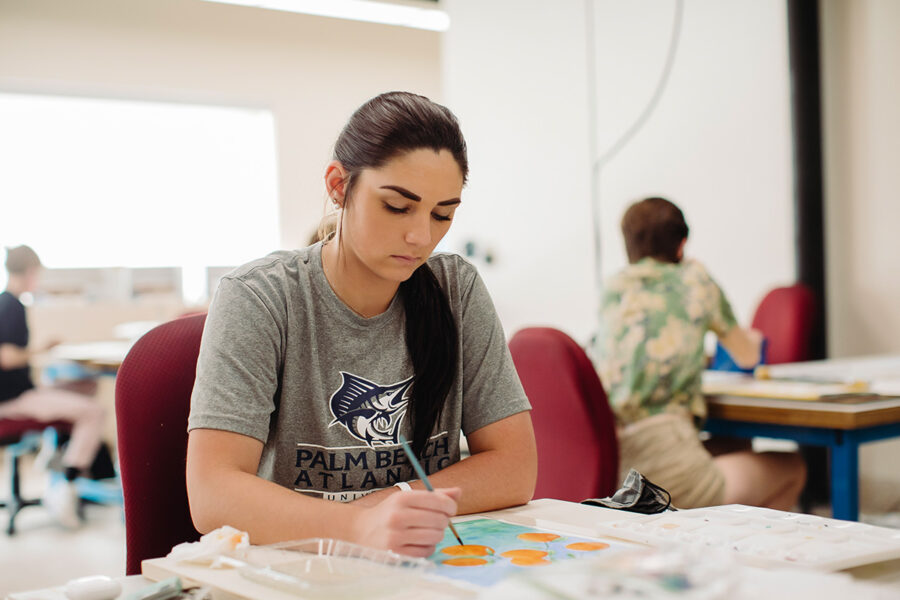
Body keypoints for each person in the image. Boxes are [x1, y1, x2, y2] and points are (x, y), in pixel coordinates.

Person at [186, 91, 537, 557]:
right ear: (338, 185)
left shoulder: (456, 290)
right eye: (396, 206)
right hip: (303, 570)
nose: (421, 236)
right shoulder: (261, 297)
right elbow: (212, 493)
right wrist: (358, 526)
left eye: (442, 214)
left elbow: (515, 467)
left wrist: (394, 504)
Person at [590, 197, 806, 510]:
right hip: (667, 469)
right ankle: (756, 556)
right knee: (791, 468)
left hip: (614, 466)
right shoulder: (696, 282)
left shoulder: (613, 287)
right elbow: (747, 356)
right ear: (682, 245)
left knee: (734, 445)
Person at [0, 245, 107, 528]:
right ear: (32, 272)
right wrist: (41, 349)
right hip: (14, 399)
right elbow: (7, 357)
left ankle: (54, 454)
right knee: (93, 412)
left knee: (85, 386)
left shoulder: (4, 302)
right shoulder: (11, 305)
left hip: (18, 391)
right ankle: (66, 485)